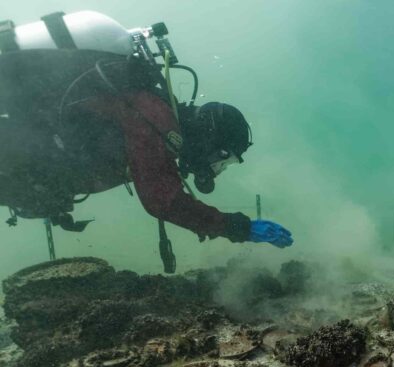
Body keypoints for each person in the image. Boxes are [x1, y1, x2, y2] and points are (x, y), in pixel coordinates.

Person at [0, 11, 292, 259]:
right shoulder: (157, 118)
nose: (214, 169)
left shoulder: (153, 108)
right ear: (210, 138)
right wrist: (238, 228)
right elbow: (163, 200)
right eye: (221, 159)